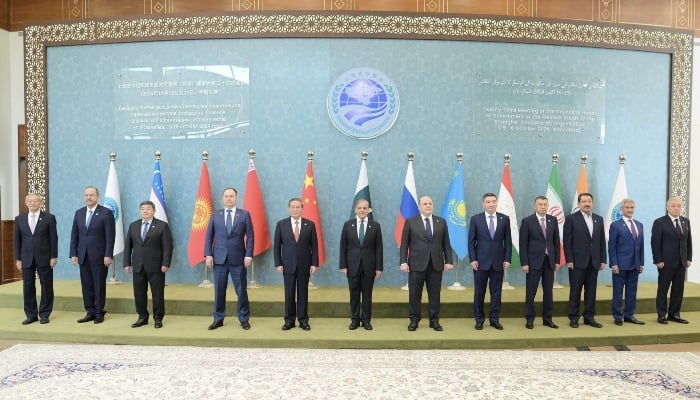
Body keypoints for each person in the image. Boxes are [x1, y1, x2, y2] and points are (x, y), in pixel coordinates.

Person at [400, 196, 453, 332]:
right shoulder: (411, 222)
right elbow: (404, 244)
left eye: (430, 203)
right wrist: (403, 262)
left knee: (434, 294)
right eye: (425, 204)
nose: (428, 206)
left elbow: (446, 244)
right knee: (414, 294)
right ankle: (414, 320)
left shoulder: (441, 222)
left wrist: (449, 261)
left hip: (436, 264)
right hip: (416, 264)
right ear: (419, 206)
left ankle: (434, 320)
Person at [205, 188, 254, 331]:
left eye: (231, 196)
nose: (228, 199)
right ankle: (218, 318)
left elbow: (250, 236)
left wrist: (248, 255)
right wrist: (208, 254)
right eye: (226, 196)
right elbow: (209, 237)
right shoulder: (215, 215)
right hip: (219, 259)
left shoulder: (244, 215)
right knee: (219, 290)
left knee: (241, 290)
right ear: (223, 198)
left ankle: (244, 318)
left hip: (239, 259)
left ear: (236, 198)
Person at [124, 200, 173, 329]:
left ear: (154, 211)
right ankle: (142, 317)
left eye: (148, 209)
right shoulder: (133, 225)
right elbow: (128, 246)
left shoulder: (162, 226)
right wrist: (127, 263)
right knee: (139, 293)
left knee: (157, 294)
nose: (145, 211)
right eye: (143, 209)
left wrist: (166, 263)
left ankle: (158, 318)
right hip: (137, 266)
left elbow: (168, 247)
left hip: (156, 266)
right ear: (140, 211)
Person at [70, 186, 115, 324]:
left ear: (97, 196)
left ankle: (99, 312)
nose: (88, 197)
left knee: (99, 285)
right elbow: (74, 235)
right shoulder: (79, 213)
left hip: (100, 256)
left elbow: (110, 236)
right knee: (87, 285)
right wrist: (73, 253)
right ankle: (90, 311)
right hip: (83, 256)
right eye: (86, 195)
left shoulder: (106, 213)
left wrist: (108, 255)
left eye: (91, 195)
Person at [468, 192, 512, 330]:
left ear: (496, 202)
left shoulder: (504, 219)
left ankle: (494, 319)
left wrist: (507, 259)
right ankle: (479, 320)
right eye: (488, 201)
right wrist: (473, 259)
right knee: (479, 292)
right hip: (480, 263)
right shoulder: (476, 219)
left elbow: (508, 242)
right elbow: (471, 242)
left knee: (496, 293)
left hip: (498, 262)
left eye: (493, 201)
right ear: (483, 204)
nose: (491, 204)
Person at [274, 197, 318, 331]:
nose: (295, 209)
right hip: (287, 265)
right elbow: (277, 246)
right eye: (292, 207)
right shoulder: (281, 224)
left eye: (298, 207)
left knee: (303, 294)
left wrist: (314, 263)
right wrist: (278, 263)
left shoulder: (310, 224)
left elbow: (314, 246)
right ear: (289, 209)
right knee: (289, 294)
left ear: (302, 208)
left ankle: (303, 320)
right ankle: (289, 320)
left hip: (305, 265)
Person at [563, 192, 606, 328]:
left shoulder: (599, 219)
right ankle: (574, 317)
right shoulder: (571, 219)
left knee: (591, 291)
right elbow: (567, 241)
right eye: (584, 201)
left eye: (589, 201)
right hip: (577, 261)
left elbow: (601, 241)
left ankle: (589, 317)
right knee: (575, 291)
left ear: (592, 203)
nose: (587, 204)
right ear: (579, 204)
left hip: (594, 261)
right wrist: (569, 259)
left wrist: (603, 259)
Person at [339, 199, 383, 331]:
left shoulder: (375, 226)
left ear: (369, 210)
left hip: (370, 266)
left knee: (367, 295)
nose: (362, 210)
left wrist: (379, 267)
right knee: (354, 294)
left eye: (365, 208)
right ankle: (354, 320)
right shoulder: (348, 225)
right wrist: (343, 265)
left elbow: (379, 248)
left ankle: (366, 320)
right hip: (352, 265)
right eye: (360, 208)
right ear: (355, 210)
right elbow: (343, 247)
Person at [14, 193, 58, 325]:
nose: (33, 203)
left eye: (36, 201)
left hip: (45, 257)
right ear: (26, 203)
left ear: (40, 203)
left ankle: (44, 314)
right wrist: (18, 259)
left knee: (46, 286)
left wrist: (53, 256)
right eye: (30, 201)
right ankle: (31, 315)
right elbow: (17, 240)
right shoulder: (19, 219)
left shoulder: (49, 218)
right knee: (28, 287)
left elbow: (53, 239)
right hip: (26, 257)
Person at [519, 196, 560, 329]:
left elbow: (556, 242)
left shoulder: (553, 220)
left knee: (548, 292)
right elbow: (523, 244)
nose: (543, 206)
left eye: (545, 204)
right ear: (534, 206)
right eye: (540, 204)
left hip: (549, 262)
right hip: (533, 262)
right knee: (531, 292)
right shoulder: (527, 221)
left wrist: (557, 261)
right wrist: (524, 263)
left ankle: (547, 319)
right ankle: (530, 318)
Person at [651, 197, 692, 324]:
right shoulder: (660, 222)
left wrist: (689, 258)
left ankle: (674, 314)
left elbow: (688, 241)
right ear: (668, 207)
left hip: (681, 262)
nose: (676, 208)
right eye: (673, 206)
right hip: (665, 262)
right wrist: (658, 260)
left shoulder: (685, 221)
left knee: (678, 289)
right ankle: (662, 314)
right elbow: (655, 243)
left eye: (678, 206)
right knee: (663, 289)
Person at [608, 199, 645, 326]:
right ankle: (617, 316)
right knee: (618, 292)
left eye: (632, 207)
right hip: (620, 265)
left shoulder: (639, 225)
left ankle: (629, 315)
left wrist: (641, 263)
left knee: (632, 291)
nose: (630, 210)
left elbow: (641, 246)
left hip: (635, 264)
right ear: (622, 209)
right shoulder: (615, 225)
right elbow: (611, 246)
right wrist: (613, 263)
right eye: (627, 207)